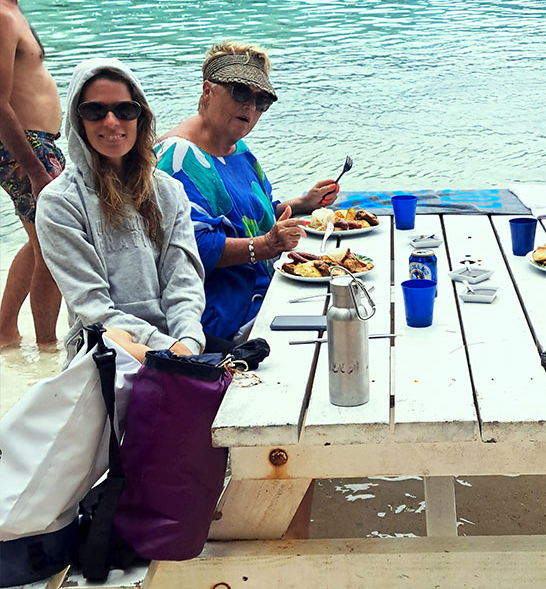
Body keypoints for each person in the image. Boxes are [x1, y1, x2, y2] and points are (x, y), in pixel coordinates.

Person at [156, 41, 339, 349]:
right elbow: (191, 248)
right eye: (240, 92)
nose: (250, 107)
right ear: (207, 91)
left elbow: (254, 216)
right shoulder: (178, 157)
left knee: (354, 304)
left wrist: (303, 204)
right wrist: (265, 246)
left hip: (266, 293)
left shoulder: (236, 148)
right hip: (223, 316)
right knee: (339, 332)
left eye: (262, 101)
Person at [35, 59, 205, 364]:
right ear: (78, 120)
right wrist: (167, 351)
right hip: (104, 352)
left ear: (140, 116)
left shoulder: (168, 191)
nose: (111, 122)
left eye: (125, 110)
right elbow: (92, 307)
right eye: (95, 111)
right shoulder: (59, 202)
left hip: (178, 349)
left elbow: (183, 282)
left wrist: (189, 343)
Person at [0, 0, 64, 348]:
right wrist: (37, 171)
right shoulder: (1, 17)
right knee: (58, 250)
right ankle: (47, 350)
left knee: (41, 240)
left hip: (37, 145)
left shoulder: (10, 10)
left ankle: (4, 331)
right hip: (28, 148)